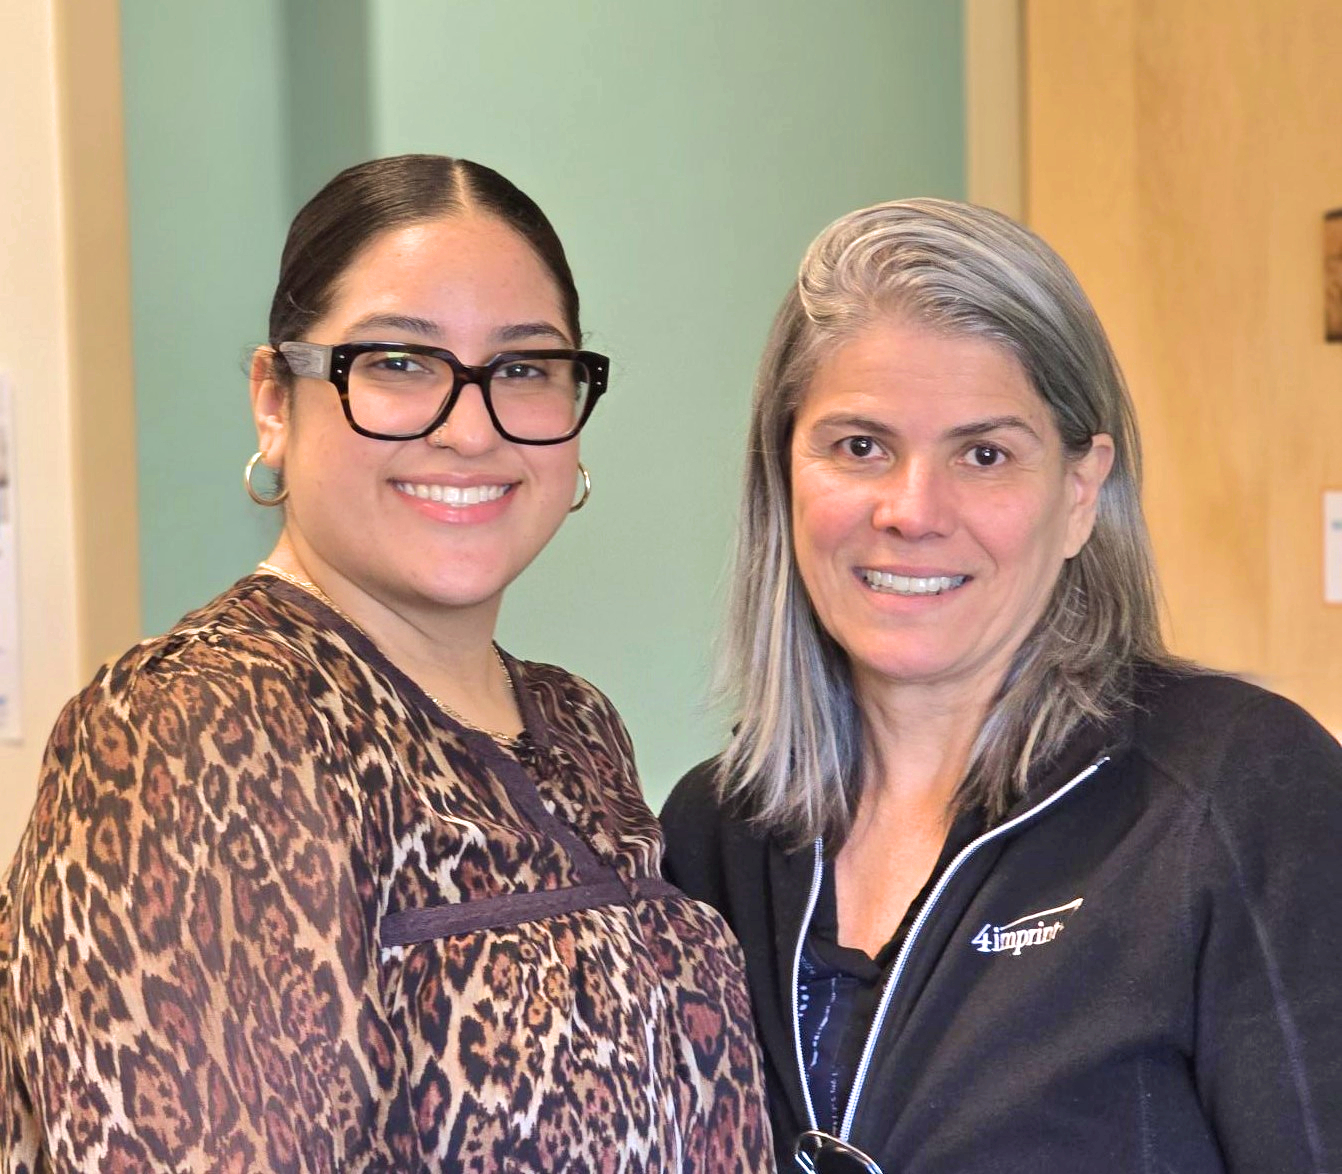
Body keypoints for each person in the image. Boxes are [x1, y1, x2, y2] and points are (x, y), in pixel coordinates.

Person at [0, 154, 771, 1172]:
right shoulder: (193, 726)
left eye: (524, 369)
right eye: (399, 363)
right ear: (274, 400)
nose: (469, 429)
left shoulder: (576, 726)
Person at [662, 197, 1342, 1173]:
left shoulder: (1239, 793)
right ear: (785, 473)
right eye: (860, 447)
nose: (913, 511)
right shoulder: (708, 835)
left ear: (1078, 491)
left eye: (983, 455)